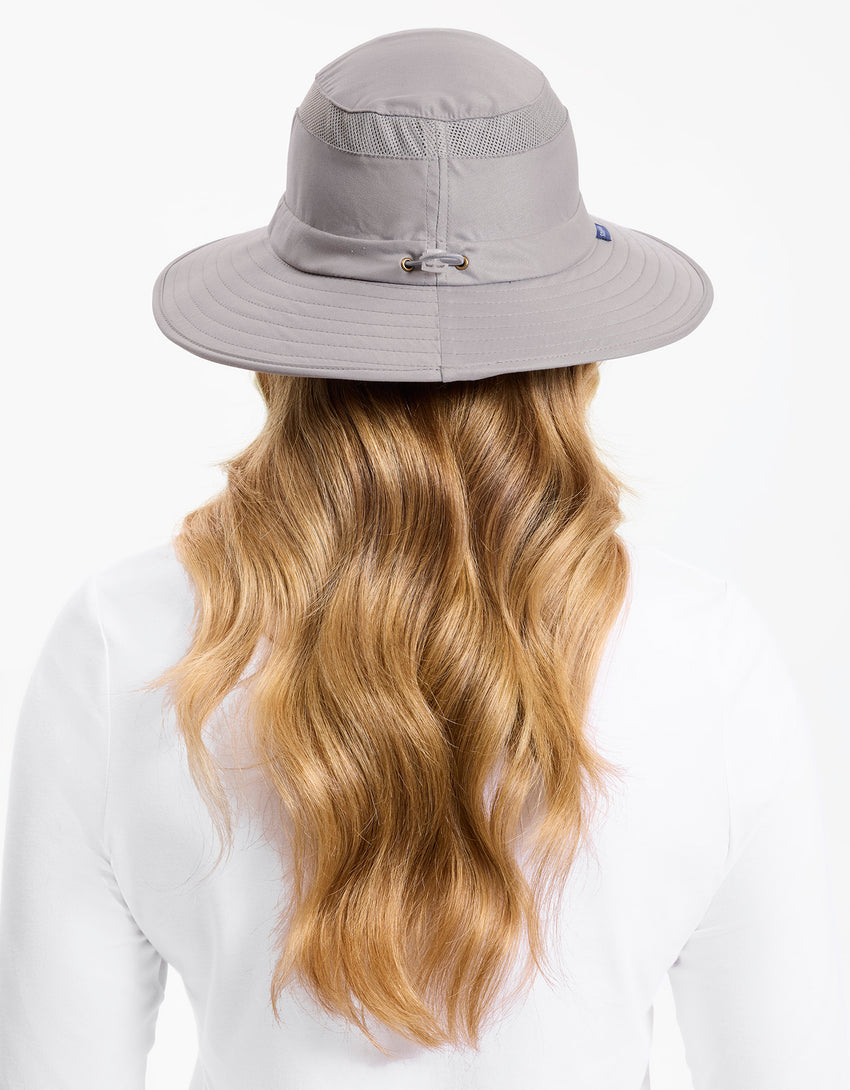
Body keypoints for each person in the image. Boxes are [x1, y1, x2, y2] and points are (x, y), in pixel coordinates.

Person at [1, 26, 847, 1090]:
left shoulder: (121, 646)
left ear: (286, 344)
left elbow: (55, 1069)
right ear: (573, 350)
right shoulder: (706, 657)